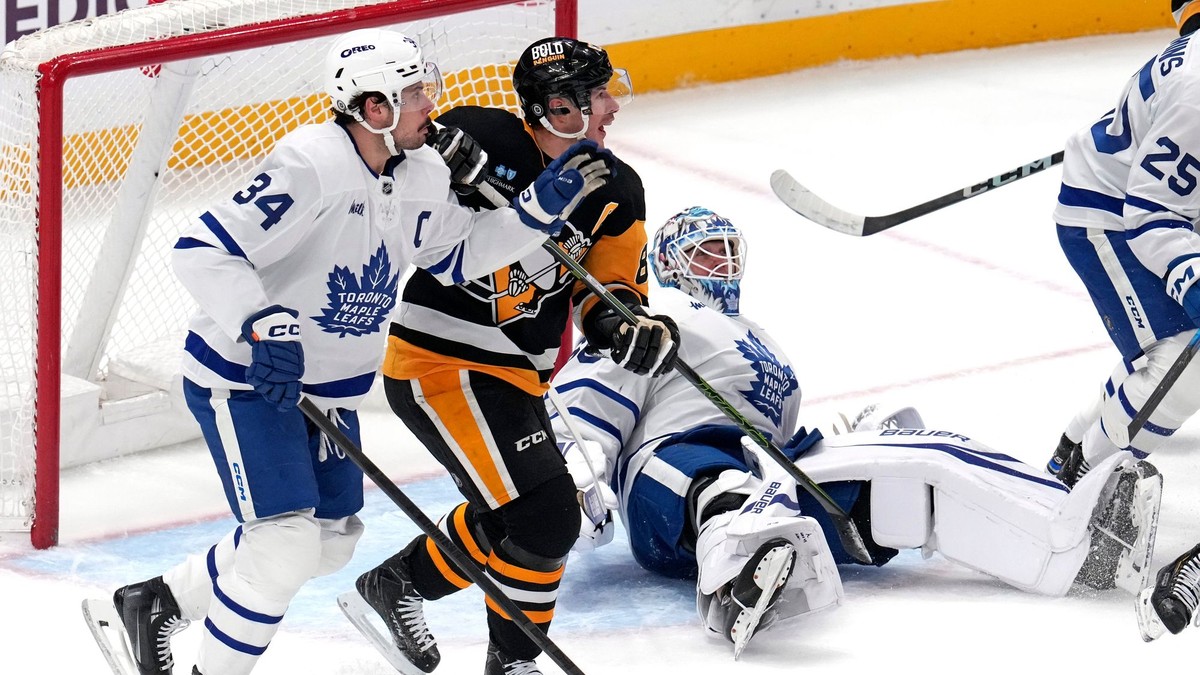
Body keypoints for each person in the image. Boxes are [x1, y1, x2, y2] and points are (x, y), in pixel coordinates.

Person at [84, 27, 615, 675]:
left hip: (326, 386)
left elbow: (460, 254)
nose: (431, 104)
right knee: (280, 546)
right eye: (415, 92)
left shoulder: (420, 173)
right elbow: (203, 248)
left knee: (332, 539)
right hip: (250, 375)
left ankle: (154, 602)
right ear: (374, 108)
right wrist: (261, 323)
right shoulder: (312, 164)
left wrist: (535, 211)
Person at [547, 206, 1164, 657]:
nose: (724, 263)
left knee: (924, 464)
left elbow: (787, 437)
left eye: (729, 249)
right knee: (713, 480)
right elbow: (588, 396)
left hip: (772, 470)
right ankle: (738, 567)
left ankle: (1072, 539)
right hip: (669, 481)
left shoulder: (761, 338)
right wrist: (577, 474)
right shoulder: (649, 320)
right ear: (669, 265)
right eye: (707, 251)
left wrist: (863, 442)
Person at [339, 37, 678, 675]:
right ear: (557, 106)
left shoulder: (617, 189)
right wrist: (442, 162)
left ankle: (400, 583)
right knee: (546, 516)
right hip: (440, 362)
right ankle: (514, 662)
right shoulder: (476, 136)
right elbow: (394, 168)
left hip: (516, 377)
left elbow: (607, 290)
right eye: (596, 95)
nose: (612, 106)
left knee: (521, 516)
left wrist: (623, 324)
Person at [1042, 0, 1200, 641]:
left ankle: (1079, 438)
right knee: (1185, 357)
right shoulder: (1198, 89)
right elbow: (1152, 212)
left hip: (1171, 210)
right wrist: (1193, 276)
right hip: (1111, 220)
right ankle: (1084, 472)